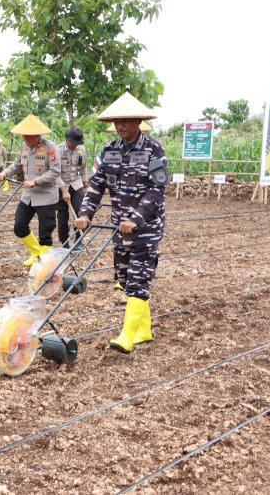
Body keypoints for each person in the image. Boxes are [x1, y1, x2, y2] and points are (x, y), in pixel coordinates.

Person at [75, 92, 167, 354]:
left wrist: (136, 219)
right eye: (117, 122)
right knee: (126, 279)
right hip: (120, 228)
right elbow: (96, 186)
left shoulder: (153, 149)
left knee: (139, 279)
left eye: (126, 121)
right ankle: (144, 330)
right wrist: (86, 214)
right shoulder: (109, 151)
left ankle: (127, 336)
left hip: (146, 229)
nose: (121, 126)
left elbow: (156, 190)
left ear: (138, 121)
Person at [0, 114, 65, 267]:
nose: (26, 139)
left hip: (45, 196)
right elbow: (17, 164)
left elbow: (55, 171)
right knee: (19, 226)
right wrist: (5, 173)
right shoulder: (24, 147)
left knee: (45, 232)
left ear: (38, 136)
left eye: (29, 137)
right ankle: (35, 253)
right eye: (24, 136)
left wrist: (36, 181)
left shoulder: (50, 148)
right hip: (28, 196)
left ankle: (44, 264)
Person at [55, 126, 88, 249]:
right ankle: (64, 242)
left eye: (77, 143)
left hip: (76, 184)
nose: (75, 145)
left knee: (81, 212)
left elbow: (83, 168)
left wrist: (85, 185)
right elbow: (55, 173)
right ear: (67, 139)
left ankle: (78, 240)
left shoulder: (81, 149)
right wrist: (63, 190)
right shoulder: (58, 150)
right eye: (72, 143)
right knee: (62, 215)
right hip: (61, 185)